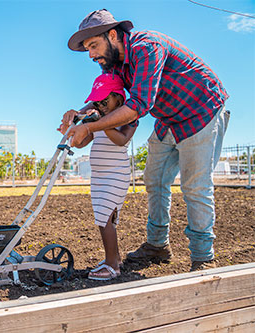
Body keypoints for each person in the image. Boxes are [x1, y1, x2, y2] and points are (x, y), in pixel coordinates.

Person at [60, 9, 229, 272]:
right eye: (87, 49)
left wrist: (91, 126)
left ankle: (203, 257)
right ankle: (157, 246)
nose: (91, 55)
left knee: (195, 186)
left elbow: (139, 104)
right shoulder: (116, 65)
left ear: (113, 35)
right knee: (154, 180)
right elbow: (106, 99)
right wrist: (78, 115)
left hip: (200, 111)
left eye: (93, 45)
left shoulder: (146, 47)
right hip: (168, 117)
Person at [71, 73, 137, 280]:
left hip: (116, 174)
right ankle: (114, 258)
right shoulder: (97, 119)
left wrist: (102, 123)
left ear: (118, 97)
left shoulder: (129, 118)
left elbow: (121, 140)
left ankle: (112, 267)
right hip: (99, 177)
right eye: (97, 102)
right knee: (102, 218)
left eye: (105, 100)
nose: (101, 105)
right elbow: (82, 142)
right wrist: (73, 132)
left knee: (105, 216)